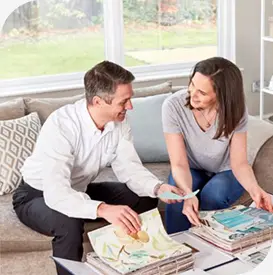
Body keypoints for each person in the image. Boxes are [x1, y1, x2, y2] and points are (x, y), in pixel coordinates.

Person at [12, 61, 184, 275]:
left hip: (78, 190)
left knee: (144, 197)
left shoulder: (119, 123)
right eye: (124, 101)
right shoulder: (61, 125)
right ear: (98, 101)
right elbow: (56, 193)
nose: (130, 106)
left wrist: (158, 188)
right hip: (37, 195)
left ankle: (139, 260)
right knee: (68, 223)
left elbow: (129, 168)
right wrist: (103, 209)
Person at [162, 56, 273, 234]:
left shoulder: (235, 110)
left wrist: (256, 190)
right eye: (192, 85)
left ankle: (211, 246)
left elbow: (239, 163)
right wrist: (188, 194)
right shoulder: (173, 106)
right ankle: (176, 246)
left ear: (221, 95)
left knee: (213, 195)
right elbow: (179, 164)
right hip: (191, 167)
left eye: (202, 93)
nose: (193, 95)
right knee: (179, 195)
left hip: (226, 169)